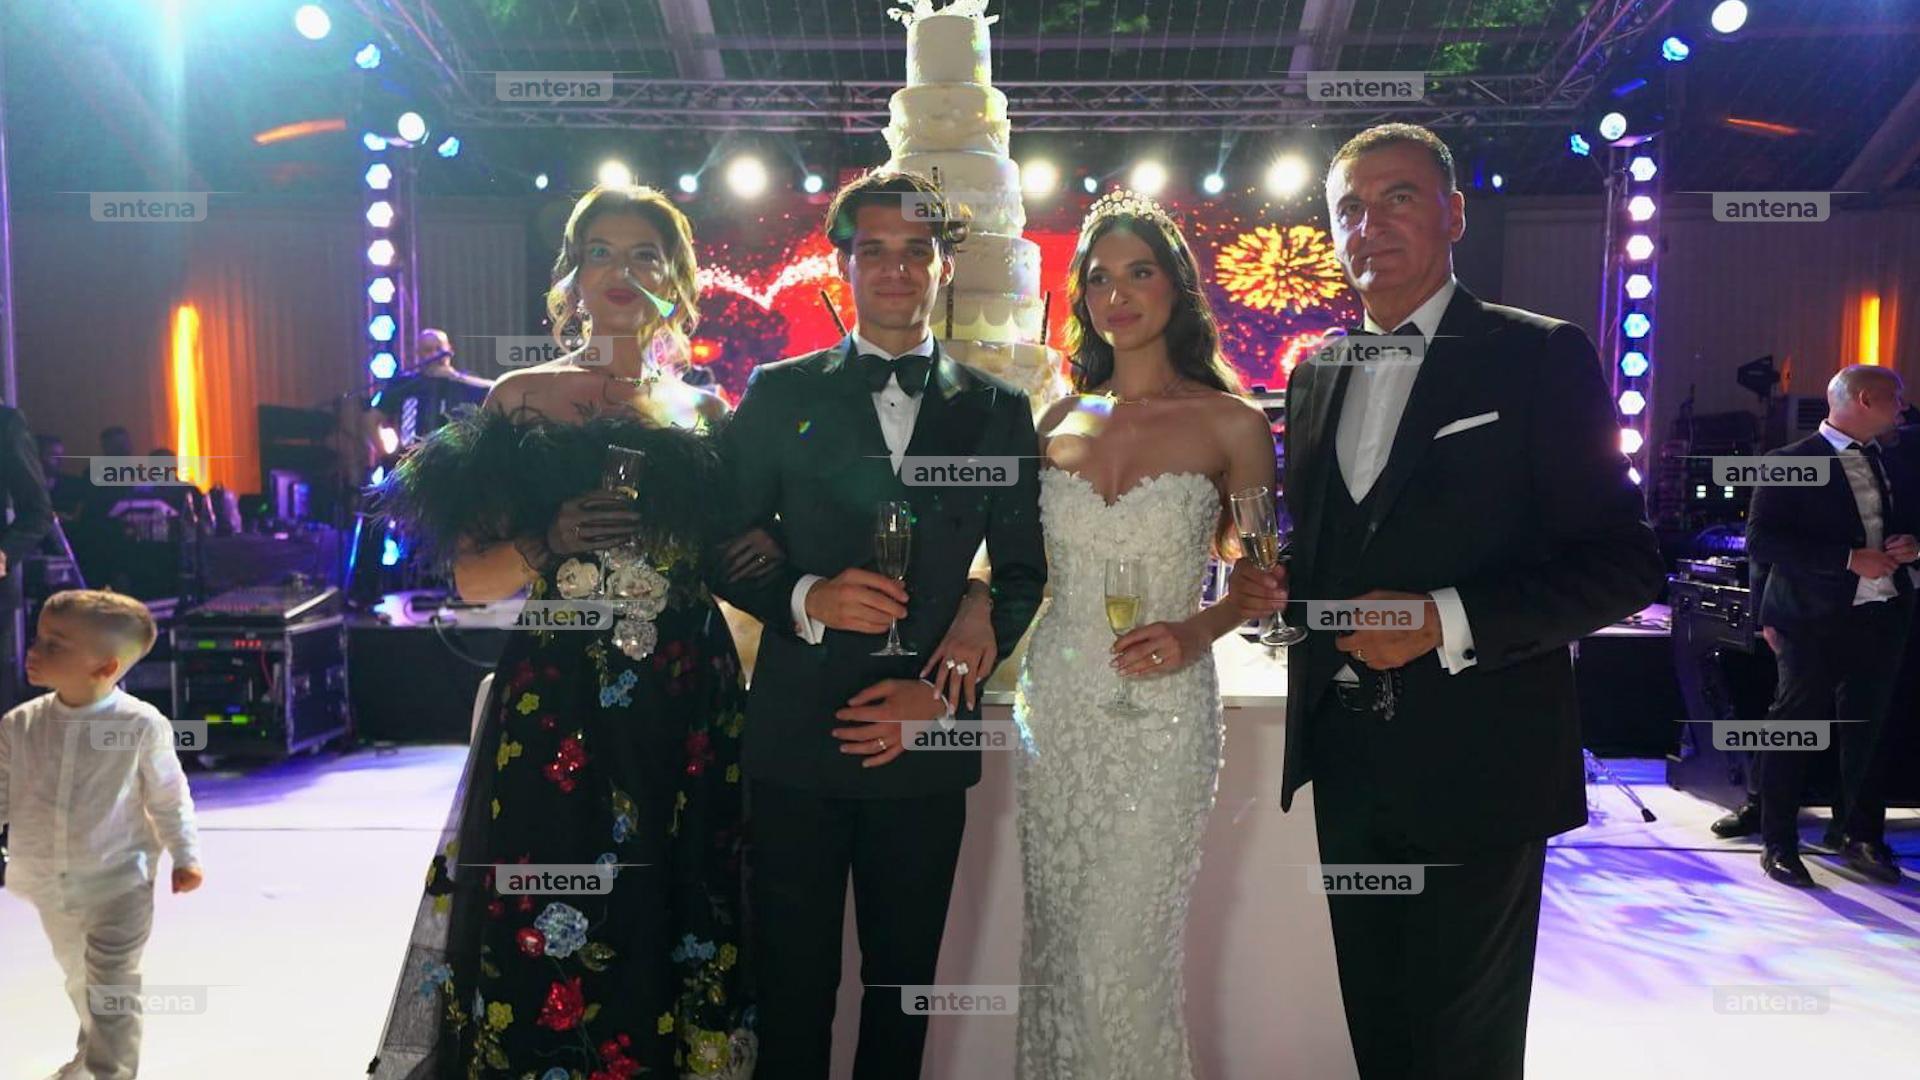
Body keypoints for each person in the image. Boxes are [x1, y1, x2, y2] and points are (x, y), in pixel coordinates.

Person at [1231, 123, 1663, 1078]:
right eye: (1349, 208)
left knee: (1463, 1044)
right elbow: (1332, 546)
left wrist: (1442, 620)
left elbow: (1627, 563)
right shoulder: (1314, 374)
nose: (1370, 225)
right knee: (1378, 1028)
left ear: (1455, 214)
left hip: (1482, 766)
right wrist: (1274, 584)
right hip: (1347, 763)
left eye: (1399, 198)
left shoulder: (1537, 355)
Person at [367, 184, 754, 1078]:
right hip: (561, 701)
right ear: (572, 278)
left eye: (646, 254)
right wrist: (551, 541)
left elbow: (735, 564)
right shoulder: (523, 399)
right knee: (547, 907)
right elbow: (471, 578)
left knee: (678, 902)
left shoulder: (704, 413)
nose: (623, 271)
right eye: (600, 253)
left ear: (677, 279)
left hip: (685, 697)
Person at [708, 168, 1046, 1079]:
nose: (896, 268)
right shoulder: (779, 393)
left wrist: (945, 687)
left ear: (945, 267)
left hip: (926, 742)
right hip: (795, 738)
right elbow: (722, 539)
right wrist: (805, 596)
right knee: (792, 988)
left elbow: (1021, 570)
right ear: (845, 265)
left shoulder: (999, 409)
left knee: (904, 992)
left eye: (916, 250)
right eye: (874, 250)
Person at [981, 188, 1274, 1078]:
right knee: (1060, 944)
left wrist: (1198, 629)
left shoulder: (1233, 423)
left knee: (1124, 950)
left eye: (1139, 272)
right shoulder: (1056, 422)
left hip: (1164, 713)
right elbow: (1011, 568)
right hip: (1059, 708)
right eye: (1099, 278)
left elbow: (1265, 581)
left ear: (1175, 286)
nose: (1118, 295)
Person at [0, 588, 202, 1080]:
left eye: (54, 644)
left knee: (111, 985)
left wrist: (185, 854)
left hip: (119, 879)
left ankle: (110, 1073)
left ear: (104, 668)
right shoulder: (19, 725)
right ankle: (88, 1062)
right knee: (80, 980)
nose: (34, 649)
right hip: (48, 881)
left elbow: (168, 794)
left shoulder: (140, 724)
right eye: (39, 637)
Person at [1744, 365, 1916, 887]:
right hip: (1808, 618)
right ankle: (1779, 842)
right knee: (1793, 728)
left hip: (1883, 613)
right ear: (1864, 399)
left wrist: (1914, 546)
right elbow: (1762, 542)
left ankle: (1861, 835)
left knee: (1869, 730)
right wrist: (1847, 559)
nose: (1903, 408)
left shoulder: (1897, 457)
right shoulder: (1790, 461)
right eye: (1896, 398)